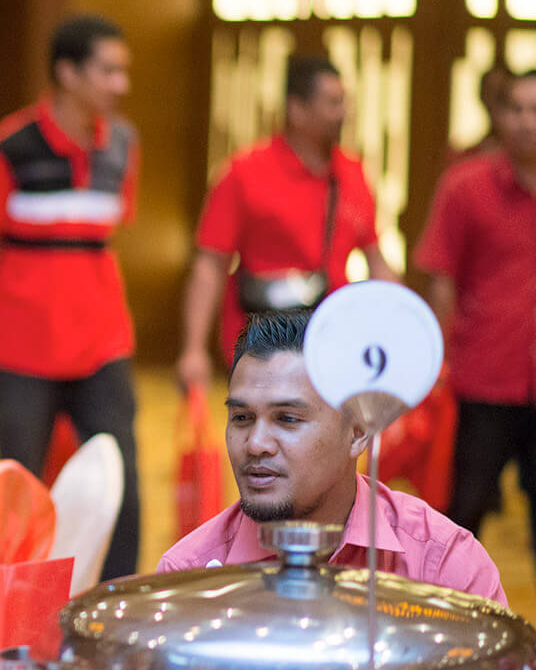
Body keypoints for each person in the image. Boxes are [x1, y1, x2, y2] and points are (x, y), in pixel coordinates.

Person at [158, 310, 507, 606]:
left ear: (358, 432)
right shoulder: (190, 579)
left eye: (287, 418)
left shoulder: (443, 569)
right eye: (241, 418)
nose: (255, 444)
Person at [0, 14, 140, 580]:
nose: (121, 84)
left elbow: (113, 228)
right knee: (20, 489)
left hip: (104, 344)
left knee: (120, 481)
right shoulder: (7, 147)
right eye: (108, 71)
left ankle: (116, 600)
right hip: (20, 350)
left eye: (123, 71)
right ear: (67, 73)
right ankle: (17, 596)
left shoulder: (124, 144)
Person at [176, 55, 397, 389]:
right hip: (261, 347)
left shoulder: (352, 174)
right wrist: (193, 349)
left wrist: (400, 330)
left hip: (334, 345)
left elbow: (377, 260)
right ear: (297, 109)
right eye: (333, 103)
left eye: (344, 102)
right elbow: (210, 264)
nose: (343, 113)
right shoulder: (245, 172)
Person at [416, 68, 536, 565]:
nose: (527, 121)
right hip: (481, 381)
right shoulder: (465, 186)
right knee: (462, 517)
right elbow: (441, 281)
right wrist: (435, 365)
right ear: (499, 115)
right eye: (517, 109)